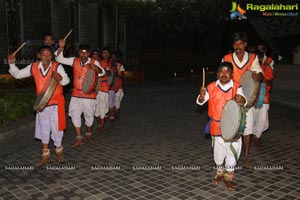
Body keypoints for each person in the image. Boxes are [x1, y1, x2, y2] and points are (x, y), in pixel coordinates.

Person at [7, 46, 70, 167]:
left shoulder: (57, 66)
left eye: (49, 54)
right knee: (44, 128)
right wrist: (11, 64)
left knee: (57, 128)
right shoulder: (34, 66)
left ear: (52, 56)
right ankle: (45, 155)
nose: (46, 56)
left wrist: (60, 78)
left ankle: (59, 151)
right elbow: (18, 74)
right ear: (39, 56)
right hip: (42, 104)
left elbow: (66, 81)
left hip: (56, 103)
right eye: (43, 54)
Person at [196, 62, 246, 191]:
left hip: (233, 127)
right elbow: (201, 102)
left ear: (231, 74)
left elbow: (243, 101)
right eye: (221, 72)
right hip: (216, 126)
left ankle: (228, 178)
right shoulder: (210, 87)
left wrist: (240, 99)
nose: (224, 74)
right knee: (218, 153)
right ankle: (219, 173)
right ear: (217, 74)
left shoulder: (237, 86)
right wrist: (202, 96)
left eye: (227, 71)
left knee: (232, 153)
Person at [222, 31, 264, 169]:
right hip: (231, 99)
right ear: (233, 45)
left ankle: (245, 158)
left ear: (245, 44)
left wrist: (257, 76)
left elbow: (259, 74)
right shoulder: (227, 58)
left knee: (247, 130)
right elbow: (222, 77)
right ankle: (228, 158)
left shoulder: (252, 58)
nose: (238, 46)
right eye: (235, 44)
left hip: (247, 99)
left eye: (241, 43)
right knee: (230, 130)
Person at [56, 40, 105, 147]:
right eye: (81, 52)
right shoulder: (74, 60)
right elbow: (59, 59)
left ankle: (88, 134)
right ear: (78, 53)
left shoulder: (93, 62)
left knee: (89, 116)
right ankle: (79, 138)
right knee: (74, 115)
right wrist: (61, 47)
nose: (83, 54)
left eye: (85, 52)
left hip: (89, 95)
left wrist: (96, 68)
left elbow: (103, 72)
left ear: (89, 54)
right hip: (76, 94)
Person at [253, 51, 274, 148]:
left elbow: (270, 83)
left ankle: (257, 137)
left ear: (261, 59)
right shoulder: (249, 68)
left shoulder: (267, 68)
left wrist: (264, 79)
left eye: (258, 58)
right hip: (251, 95)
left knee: (263, 121)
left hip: (262, 95)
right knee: (253, 118)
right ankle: (254, 137)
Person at [93, 48, 111, 132]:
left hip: (103, 87)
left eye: (96, 55)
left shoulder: (103, 63)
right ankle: (100, 123)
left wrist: (100, 70)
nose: (95, 56)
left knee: (102, 106)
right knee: (95, 108)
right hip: (93, 89)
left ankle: (101, 125)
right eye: (94, 55)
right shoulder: (89, 63)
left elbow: (109, 73)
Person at [111, 52, 125, 119]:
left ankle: (116, 115)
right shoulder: (107, 64)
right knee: (111, 103)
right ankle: (113, 115)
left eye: (114, 57)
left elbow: (122, 76)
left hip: (118, 86)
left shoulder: (119, 65)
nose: (113, 58)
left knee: (117, 103)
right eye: (112, 56)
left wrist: (116, 73)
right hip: (110, 88)